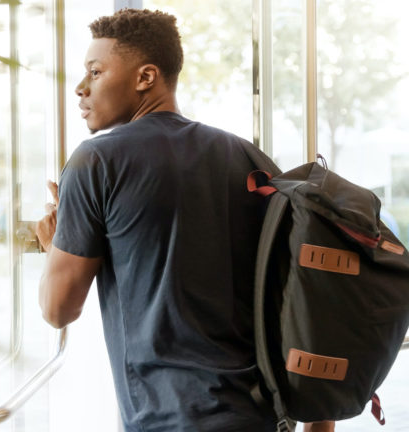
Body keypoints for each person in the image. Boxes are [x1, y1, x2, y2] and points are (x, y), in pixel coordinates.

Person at [34, 8, 334, 432]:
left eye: (95, 72)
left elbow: (57, 309)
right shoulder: (249, 157)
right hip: (260, 415)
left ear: (146, 77)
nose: (81, 89)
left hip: (168, 420)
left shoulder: (96, 161)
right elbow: (300, 294)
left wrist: (55, 245)